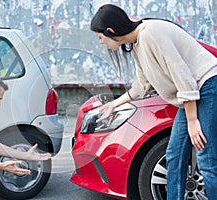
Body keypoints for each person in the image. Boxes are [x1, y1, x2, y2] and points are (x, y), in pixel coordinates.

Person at [90, 4, 217, 200]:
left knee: (206, 158)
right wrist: (114, 105)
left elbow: (182, 76)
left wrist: (192, 121)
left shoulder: (151, 33)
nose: (100, 43)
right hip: (190, 95)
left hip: (207, 85)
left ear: (111, 31)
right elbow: (143, 85)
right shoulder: (136, 44)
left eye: (100, 37)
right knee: (174, 156)